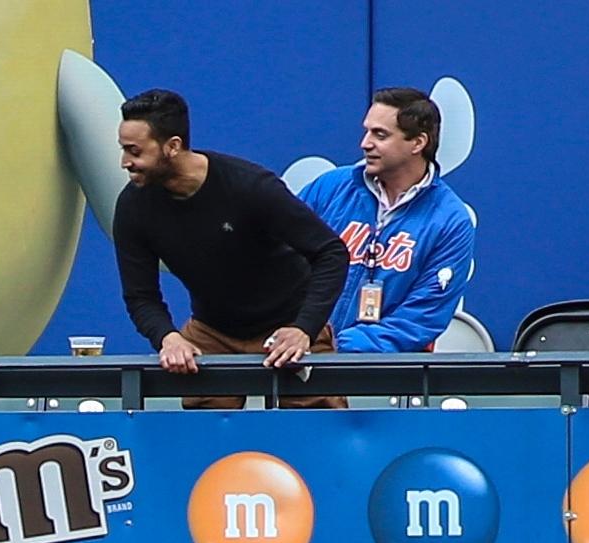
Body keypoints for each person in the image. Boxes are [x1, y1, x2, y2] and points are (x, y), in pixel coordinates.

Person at [111, 88, 350, 409]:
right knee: (205, 442)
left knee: (319, 433)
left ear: (173, 147)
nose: (125, 162)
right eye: (124, 150)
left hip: (288, 322)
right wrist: (168, 338)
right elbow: (140, 295)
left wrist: (303, 329)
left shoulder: (249, 186)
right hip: (213, 331)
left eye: (134, 151)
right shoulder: (132, 207)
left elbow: (331, 253)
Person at [300, 88, 477, 353]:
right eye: (367, 131)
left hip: (381, 377)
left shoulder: (450, 220)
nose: (365, 143)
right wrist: (299, 330)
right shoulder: (329, 187)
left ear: (418, 143)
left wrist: (334, 347)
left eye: (380, 135)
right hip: (300, 356)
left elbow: (422, 317)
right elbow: (278, 260)